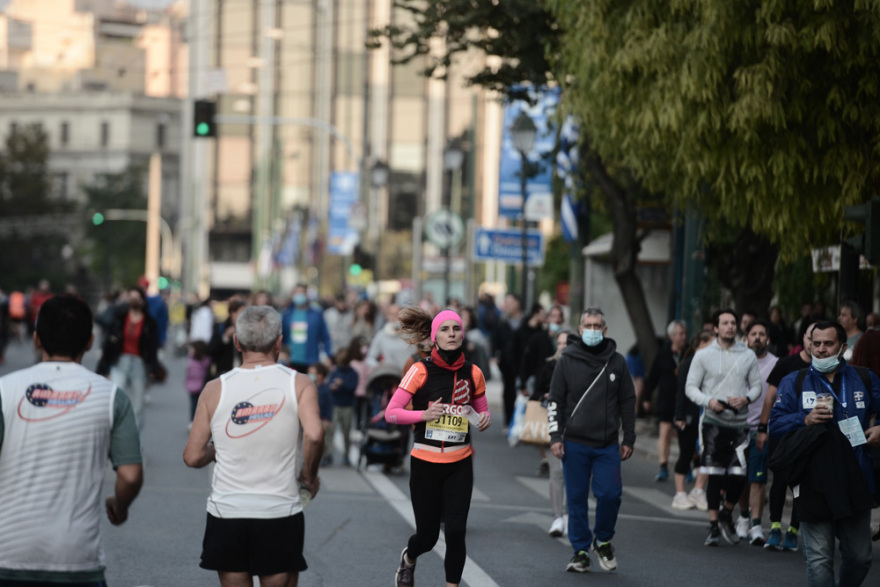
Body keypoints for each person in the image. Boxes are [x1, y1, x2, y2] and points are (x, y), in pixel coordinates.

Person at [0, 295, 143, 584]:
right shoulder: (110, 396)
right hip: (77, 561)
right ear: (90, 341)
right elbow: (130, 475)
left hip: (7, 555)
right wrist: (119, 504)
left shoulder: (4, 390)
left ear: (37, 340)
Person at [184, 305, 324, 587]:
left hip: (227, 512)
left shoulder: (214, 388)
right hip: (279, 511)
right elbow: (315, 435)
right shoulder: (299, 384)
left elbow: (193, 456)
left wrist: (216, 449)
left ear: (236, 341)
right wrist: (308, 475)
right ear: (279, 342)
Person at [385, 307, 491, 587]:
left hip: (460, 463)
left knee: (456, 531)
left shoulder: (474, 372)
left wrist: (484, 419)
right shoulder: (419, 370)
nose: (452, 334)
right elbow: (391, 412)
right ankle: (409, 558)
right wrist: (424, 415)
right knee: (428, 537)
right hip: (425, 464)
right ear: (435, 337)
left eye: (456, 329)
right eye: (444, 329)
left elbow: (481, 409)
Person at [769, 321, 880, 587]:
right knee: (818, 561)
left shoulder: (864, 378)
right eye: (815, 343)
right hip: (812, 480)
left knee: (861, 557)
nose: (820, 349)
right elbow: (775, 424)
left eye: (827, 344)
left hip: (855, 478)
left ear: (842, 347)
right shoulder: (794, 381)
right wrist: (804, 419)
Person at [548, 307, 636, 573]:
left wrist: (629, 437)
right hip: (574, 443)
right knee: (575, 499)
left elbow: (627, 401)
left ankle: (604, 539)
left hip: (607, 444)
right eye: (589, 325)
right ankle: (581, 551)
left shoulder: (617, 362)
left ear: (605, 330)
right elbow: (556, 400)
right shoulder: (567, 360)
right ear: (580, 329)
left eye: (598, 326)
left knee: (610, 494)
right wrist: (555, 435)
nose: (593, 330)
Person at [685, 309, 762, 547]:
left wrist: (746, 399)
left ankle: (727, 511)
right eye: (724, 323)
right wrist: (709, 401)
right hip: (713, 422)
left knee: (739, 475)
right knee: (715, 474)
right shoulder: (703, 355)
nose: (730, 326)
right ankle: (713, 526)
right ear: (716, 328)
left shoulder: (747, 354)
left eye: (733, 323)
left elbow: (757, 386)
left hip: (740, 424)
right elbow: (691, 387)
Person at [756, 318, 820, 551]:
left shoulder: (825, 370)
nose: (815, 343)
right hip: (782, 433)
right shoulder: (786, 364)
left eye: (820, 339)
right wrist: (763, 429)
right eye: (810, 337)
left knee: (800, 484)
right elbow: (770, 398)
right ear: (803, 338)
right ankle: (774, 528)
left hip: (808, 436)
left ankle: (793, 530)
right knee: (779, 481)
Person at [735, 319, 778, 545]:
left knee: (758, 478)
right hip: (737, 428)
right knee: (740, 478)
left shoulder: (776, 364)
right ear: (746, 338)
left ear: (767, 339)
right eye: (754, 334)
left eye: (762, 334)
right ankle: (742, 518)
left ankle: (756, 525)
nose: (758, 337)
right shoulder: (737, 362)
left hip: (762, 430)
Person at [97, 285, 161, 427]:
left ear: (143, 301)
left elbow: (152, 349)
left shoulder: (149, 322)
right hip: (119, 361)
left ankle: (135, 444)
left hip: (139, 364)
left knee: (138, 406)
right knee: (115, 400)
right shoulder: (119, 318)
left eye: (137, 298)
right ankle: (115, 440)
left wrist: (152, 370)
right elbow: (109, 343)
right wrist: (104, 368)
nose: (134, 301)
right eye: (131, 297)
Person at [533, 328, 574, 536]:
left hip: (577, 427)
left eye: (566, 343)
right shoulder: (550, 366)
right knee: (556, 472)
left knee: (574, 474)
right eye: (559, 343)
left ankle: (569, 514)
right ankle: (558, 516)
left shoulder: (581, 366)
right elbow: (535, 393)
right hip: (554, 425)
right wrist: (547, 394)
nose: (562, 347)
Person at [671, 331, 714, 511]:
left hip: (705, 416)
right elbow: (681, 391)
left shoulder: (709, 364)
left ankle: (698, 490)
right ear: (700, 345)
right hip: (688, 417)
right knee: (686, 453)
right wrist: (679, 416)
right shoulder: (689, 364)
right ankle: (679, 494)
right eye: (711, 344)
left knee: (707, 454)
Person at [646, 319, 687, 482]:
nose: (683, 337)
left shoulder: (689, 354)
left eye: (684, 334)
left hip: (684, 401)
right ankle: (663, 465)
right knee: (665, 432)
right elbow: (652, 377)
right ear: (671, 336)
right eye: (680, 334)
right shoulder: (663, 355)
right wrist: (647, 397)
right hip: (666, 400)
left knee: (685, 435)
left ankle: (687, 465)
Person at [281, 284, 333, 373]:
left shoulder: (316, 314)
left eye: (302, 292)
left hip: (311, 360)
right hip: (291, 361)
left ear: (307, 295)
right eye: (297, 292)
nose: (299, 295)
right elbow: (282, 337)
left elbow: (325, 336)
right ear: (292, 295)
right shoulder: (286, 315)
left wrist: (328, 355)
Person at [491, 293, 523, 428]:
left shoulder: (525, 322)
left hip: (523, 363)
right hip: (507, 363)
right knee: (509, 391)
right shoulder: (501, 321)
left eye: (509, 302)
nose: (507, 306)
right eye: (506, 303)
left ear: (517, 303)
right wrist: (494, 356)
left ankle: (524, 422)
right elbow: (495, 340)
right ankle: (508, 421)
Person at [328, 347, 359, 466]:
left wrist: (342, 384)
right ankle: (328, 454)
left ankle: (347, 455)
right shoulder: (335, 371)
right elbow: (330, 384)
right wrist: (333, 387)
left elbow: (353, 388)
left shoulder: (353, 373)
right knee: (330, 431)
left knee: (346, 431)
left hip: (347, 405)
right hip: (335, 404)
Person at [366, 304, 413, 373]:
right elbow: (370, 358)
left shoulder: (411, 333)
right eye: (391, 314)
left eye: (397, 314)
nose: (394, 317)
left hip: (410, 375)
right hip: (392, 376)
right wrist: (378, 366)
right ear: (387, 316)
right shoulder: (381, 335)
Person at [309, 361, 334, 467]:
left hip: (323, 419)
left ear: (320, 375)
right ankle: (317, 457)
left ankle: (326, 456)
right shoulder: (309, 387)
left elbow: (329, 405)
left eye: (313, 373)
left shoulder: (325, 389)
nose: (310, 375)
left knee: (324, 440)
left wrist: (328, 418)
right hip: (313, 419)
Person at [185, 340, 211, 427]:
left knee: (194, 405)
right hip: (200, 385)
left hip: (192, 386)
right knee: (200, 405)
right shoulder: (206, 360)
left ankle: (192, 421)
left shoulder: (191, 360)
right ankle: (198, 421)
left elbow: (188, 373)